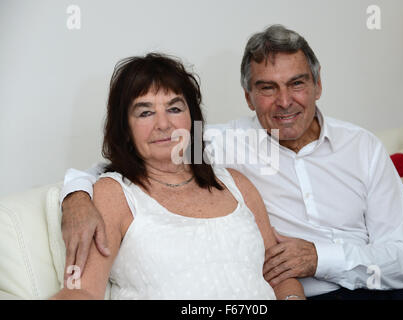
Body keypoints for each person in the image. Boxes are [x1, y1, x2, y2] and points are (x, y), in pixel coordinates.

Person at [60, 25, 403, 299]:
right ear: (248, 96)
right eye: (267, 88)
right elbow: (135, 160)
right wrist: (76, 198)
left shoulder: (362, 147)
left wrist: (319, 258)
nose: (284, 101)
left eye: (297, 83)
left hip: (385, 291)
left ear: (317, 84)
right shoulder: (226, 145)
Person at [51, 52, 305, 299]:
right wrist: (74, 196)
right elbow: (82, 290)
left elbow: (280, 275)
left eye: (174, 108)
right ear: (125, 129)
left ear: (192, 118)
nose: (163, 124)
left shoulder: (236, 183)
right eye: (145, 112)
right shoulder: (114, 193)